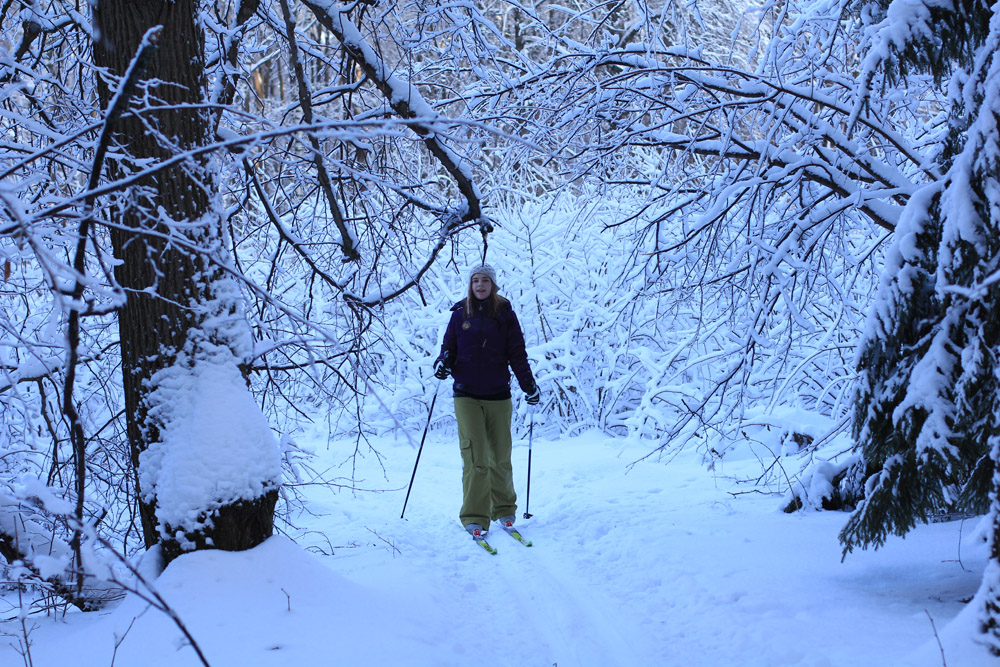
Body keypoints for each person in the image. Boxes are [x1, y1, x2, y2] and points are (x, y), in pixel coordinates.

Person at [433, 264, 540, 537]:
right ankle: (475, 515)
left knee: (500, 456)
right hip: (466, 395)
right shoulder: (459, 316)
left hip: (498, 395)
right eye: (475, 281)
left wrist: (528, 384)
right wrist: (442, 364)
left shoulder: (505, 316)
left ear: (493, 285)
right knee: (476, 457)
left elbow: (517, 354)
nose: (480, 285)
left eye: (485, 281)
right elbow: (448, 350)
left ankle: (504, 509)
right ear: (470, 285)